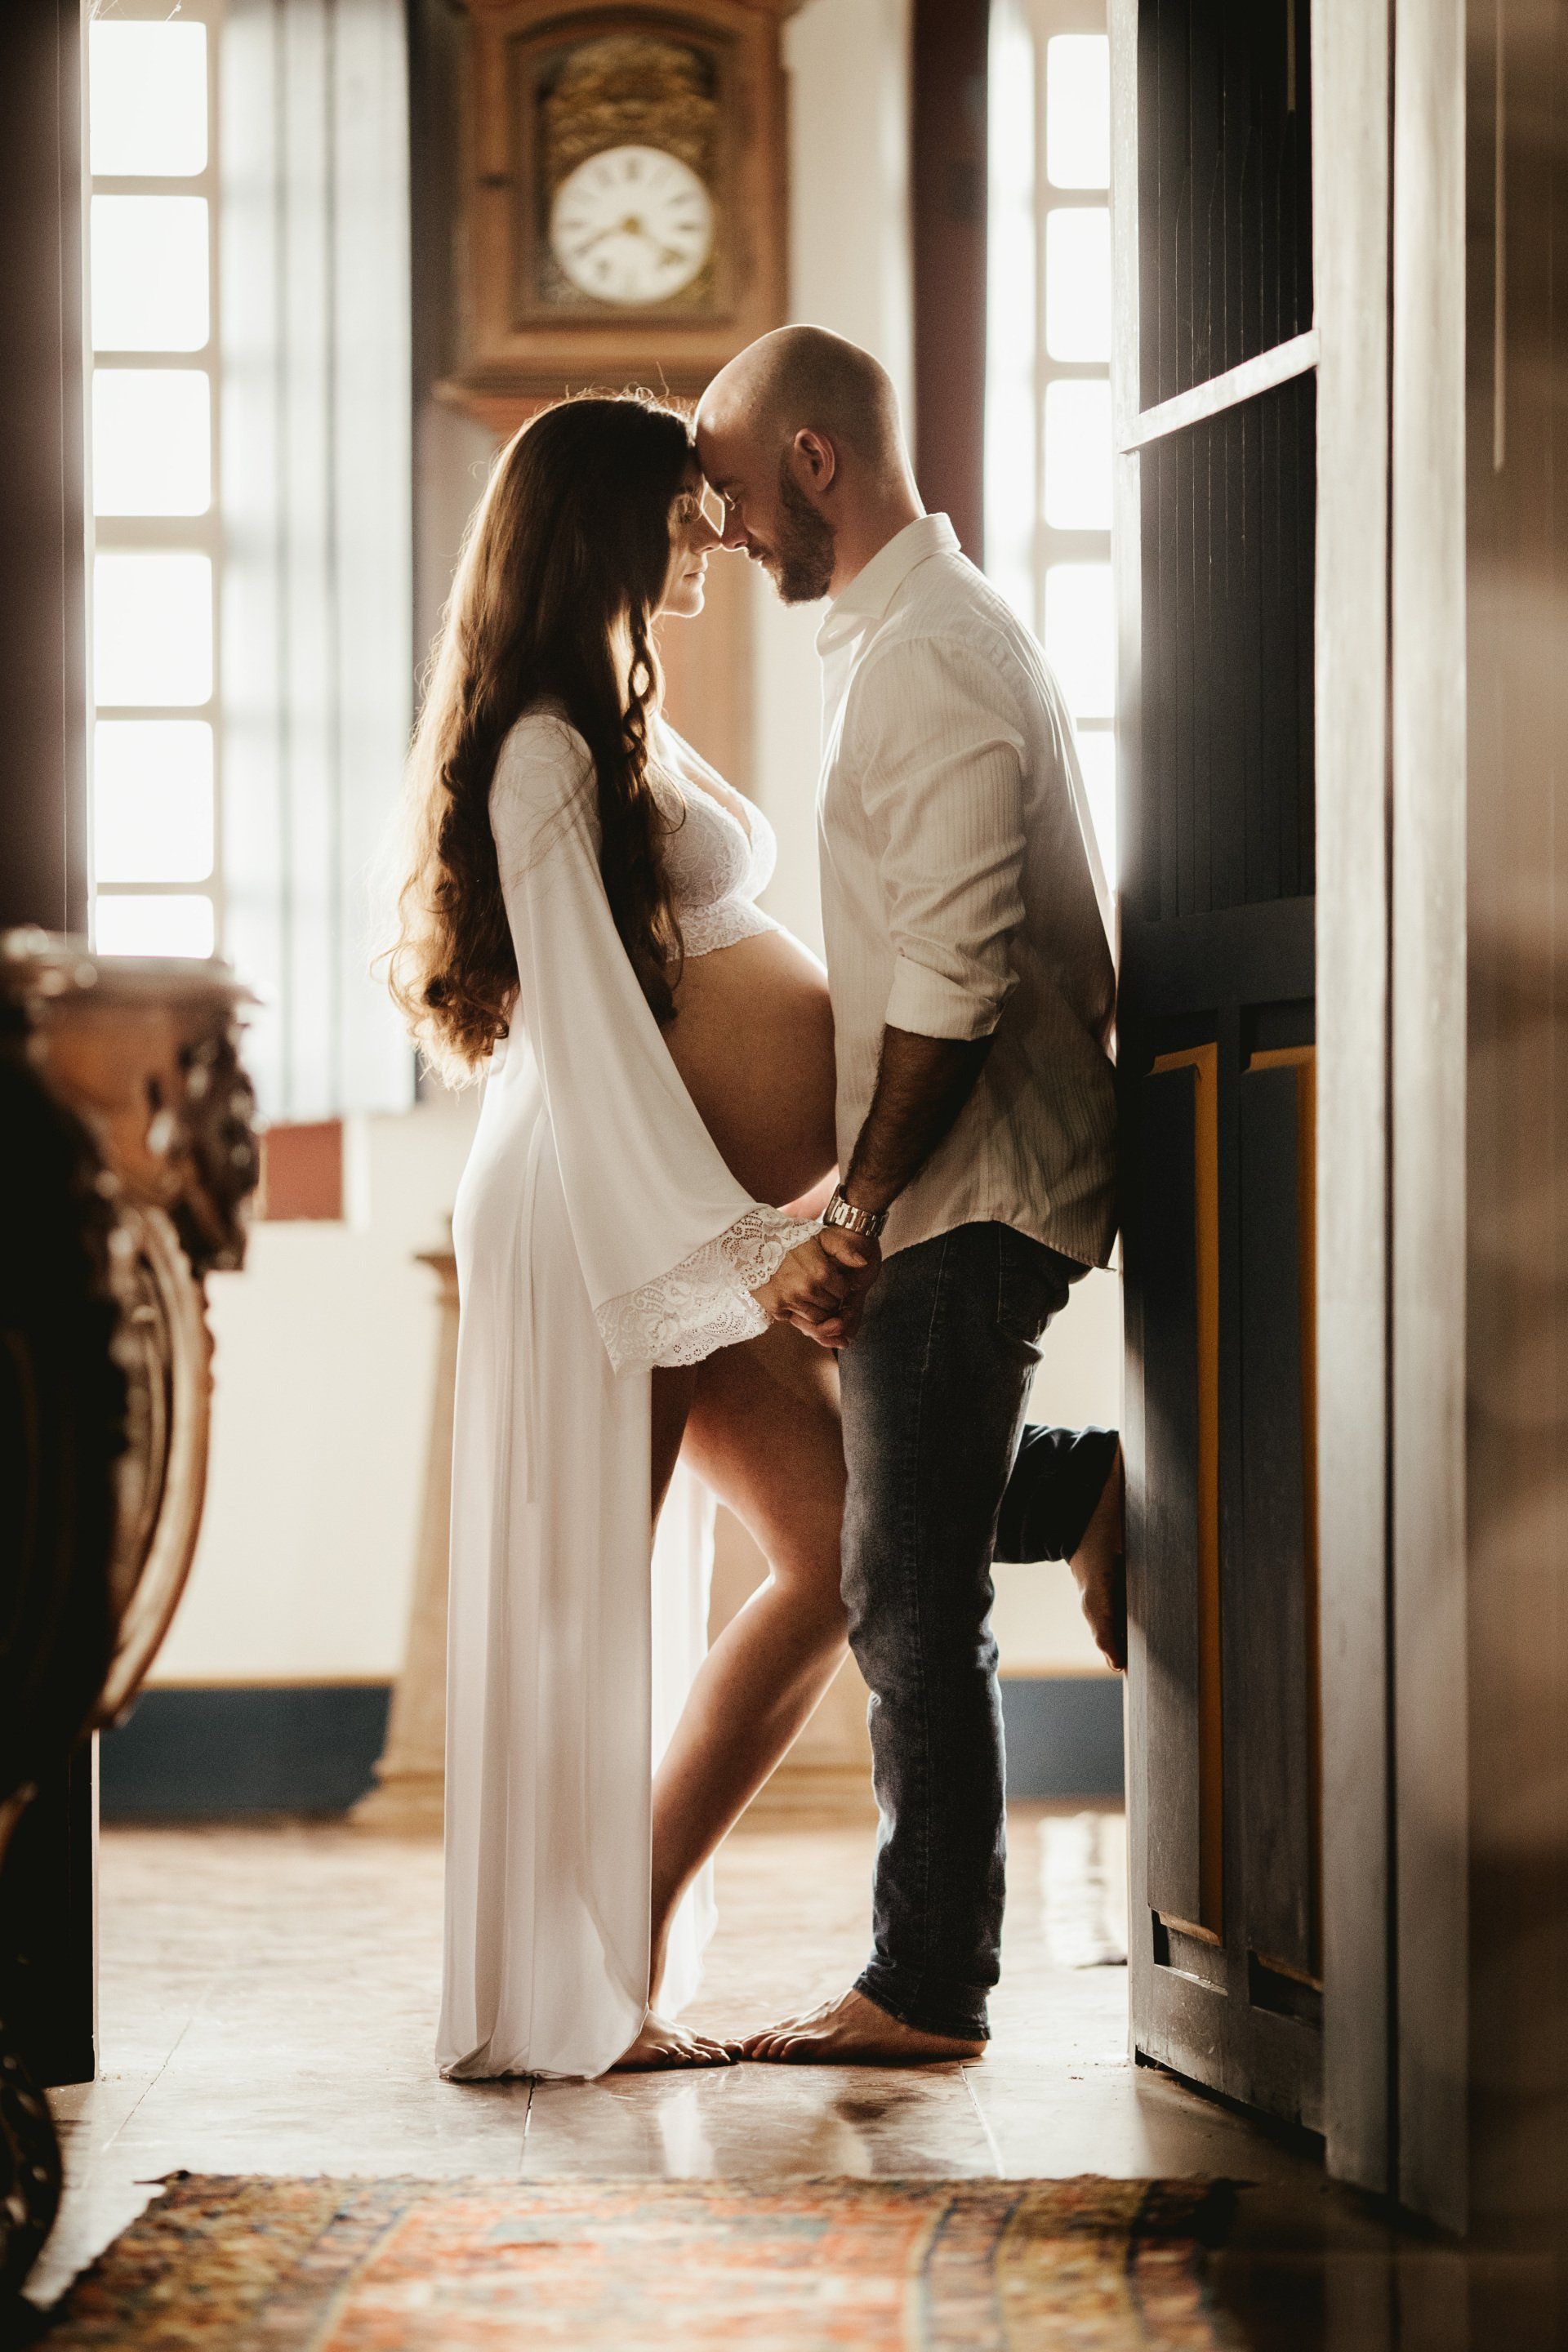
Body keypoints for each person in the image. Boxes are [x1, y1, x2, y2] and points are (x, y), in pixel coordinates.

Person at [385, 393, 872, 2080]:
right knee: (589, 1604)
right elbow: (592, 1039)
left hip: (676, 1202)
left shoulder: (608, 710)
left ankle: (624, 1945)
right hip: (604, 1209)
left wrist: (774, 1213)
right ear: (604, 520)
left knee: (837, 1553)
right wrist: (746, 1252)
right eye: (683, 514)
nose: (711, 542)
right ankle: (565, 1994)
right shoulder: (538, 745)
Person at [694, 326, 1123, 2066]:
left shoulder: (931, 652)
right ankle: (1090, 1492)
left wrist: (855, 1212)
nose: (722, 531)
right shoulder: (892, 640)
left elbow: (955, 973)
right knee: (900, 1515)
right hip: (939, 1181)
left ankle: (927, 1986)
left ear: (815, 461)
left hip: (970, 1184)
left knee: (901, 1591)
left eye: (729, 488)